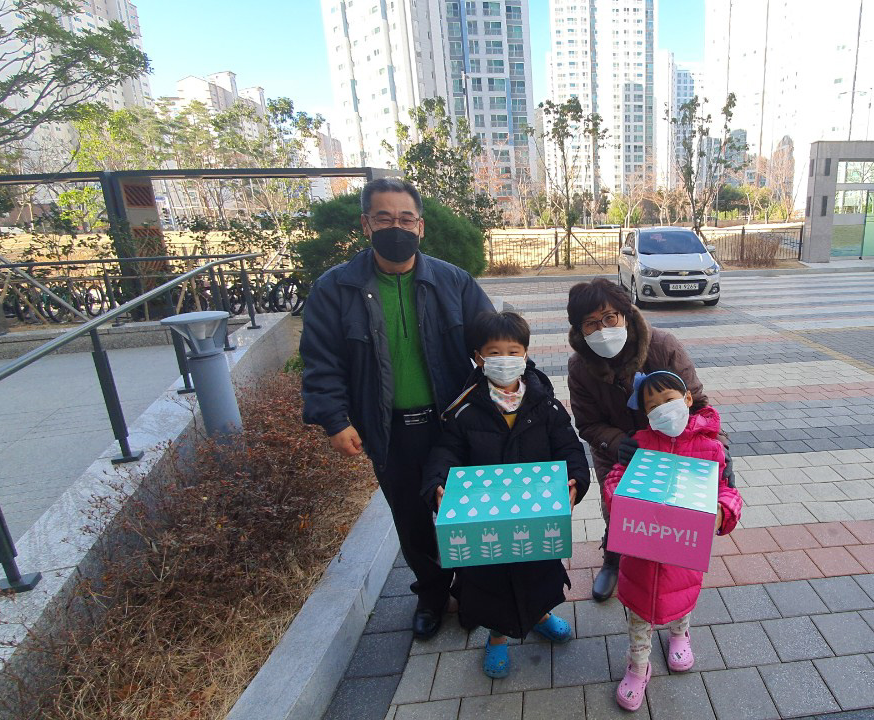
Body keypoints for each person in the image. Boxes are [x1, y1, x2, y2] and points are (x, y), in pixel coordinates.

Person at [300, 178, 494, 640]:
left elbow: (493, 340)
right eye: (384, 218)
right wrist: (335, 420)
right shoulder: (336, 289)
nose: (396, 228)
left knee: (465, 515)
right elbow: (322, 362)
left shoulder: (453, 282)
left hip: (452, 426)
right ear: (366, 224)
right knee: (412, 521)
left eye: (406, 219)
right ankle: (432, 594)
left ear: (421, 226)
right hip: (390, 431)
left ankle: (472, 592)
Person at [422, 310, 591, 678]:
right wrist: (437, 483)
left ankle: (541, 616)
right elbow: (446, 452)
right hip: (487, 519)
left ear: (526, 354)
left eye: (513, 352)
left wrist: (576, 478)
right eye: (494, 353)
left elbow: (568, 446)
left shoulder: (545, 404)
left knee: (540, 571)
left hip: (535, 514)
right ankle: (497, 636)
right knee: (491, 580)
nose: (505, 360)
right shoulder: (465, 408)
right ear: (479, 358)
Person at [565, 278, 728, 601]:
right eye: (591, 324)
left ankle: (667, 567)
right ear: (580, 330)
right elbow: (588, 423)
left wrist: (721, 452)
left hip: (671, 443)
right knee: (617, 507)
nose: (602, 329)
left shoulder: (662, 346)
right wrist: (616, 443)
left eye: (609, 318)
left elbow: (697, 403)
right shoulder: (580, 367)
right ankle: (613, 558)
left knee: (668, 508)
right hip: (619, 450)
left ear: (625, 315)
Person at [602, 369, 743, 711]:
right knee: (639, 614)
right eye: (653, 406)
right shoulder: (640, 444)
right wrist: (620, 499)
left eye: (669, 400)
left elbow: (727, 491)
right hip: (641, 554)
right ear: (646, 414)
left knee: (681, 600)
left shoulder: (711, 447)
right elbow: (616, 480)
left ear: (687, 399)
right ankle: (638, 666)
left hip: (683, 554)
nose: (663, 410)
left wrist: (722, 512)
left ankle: (680, 634)